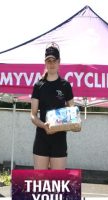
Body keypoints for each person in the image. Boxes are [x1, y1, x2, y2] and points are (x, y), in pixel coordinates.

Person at [30, 42, 75, 170]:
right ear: (45, 62)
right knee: (39, 181)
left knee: (58, 182)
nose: (51, 64)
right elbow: (33, 115)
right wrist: (44, 126)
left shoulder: (65, 86)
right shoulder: (38, 85)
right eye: (48, 61)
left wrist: (67, 122)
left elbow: (72, 113)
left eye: (54, 60)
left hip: (59, 139)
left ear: (59, 61)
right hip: (41, 138)